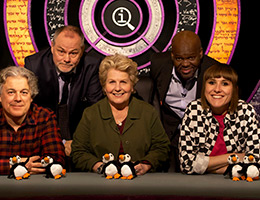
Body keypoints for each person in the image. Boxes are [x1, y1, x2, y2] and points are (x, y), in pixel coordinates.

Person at [71, 54, 170, 175]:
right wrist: (100, 167)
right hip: (101, 184)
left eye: (123, 82)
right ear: (104, 86)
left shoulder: (148, 112)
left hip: (140, 183)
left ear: (132, 86)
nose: (117, 88)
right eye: (112, 82)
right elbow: (78, 152)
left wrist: (146, 165)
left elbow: (162, 147)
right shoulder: (90, 114)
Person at [0, 66, 65, 175]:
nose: (18, 98)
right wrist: (13, 166)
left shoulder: (45, 118)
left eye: (24, 92)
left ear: (31, 97)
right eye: (11, 92)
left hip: (34, 188)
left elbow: (57, 159)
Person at [25, 25, 103, 156]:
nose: (66, 59)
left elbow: (95, 110)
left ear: (82, 50)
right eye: (61, 51)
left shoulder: (92, 66)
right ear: (52, 47)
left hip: (78, 133)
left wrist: (78, 142)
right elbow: (29, 112)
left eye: (73, 53)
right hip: (43, 135)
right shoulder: (34, 65)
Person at [149, 30, 220, 171]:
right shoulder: (158, 64)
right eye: (179, 59)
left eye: (191, 58)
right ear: (172, 56)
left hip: (200, 135)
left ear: (201, 54)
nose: (186, 64)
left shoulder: (212, 70)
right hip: (167, 132)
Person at [179, 64, 260, 174]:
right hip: (200, 184)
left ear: (234, 90)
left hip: (236, 184)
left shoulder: (245, 111)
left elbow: (255, 160)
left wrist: (204, 166)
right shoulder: (194, 110)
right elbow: (187, 164)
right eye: (212, 83)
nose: (217, 89)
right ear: (204, 87)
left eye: (225, 84)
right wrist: (234, 157)